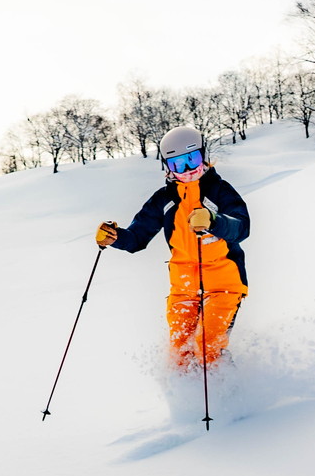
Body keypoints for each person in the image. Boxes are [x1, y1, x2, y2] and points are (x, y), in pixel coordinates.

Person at [95, 125, 250, 371]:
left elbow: (241, 227)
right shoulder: (164, 199)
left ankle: (228, 397)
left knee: (207, 345)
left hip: (224, 284)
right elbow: (137, 237)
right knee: (180, 350)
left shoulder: (219, 191)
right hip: (183, 288)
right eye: (178, 164)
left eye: (193, 159)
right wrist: (115, 237)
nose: (188, 170)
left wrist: (214, 221)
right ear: (167, 166)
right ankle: (188, 399)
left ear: (204, 156)